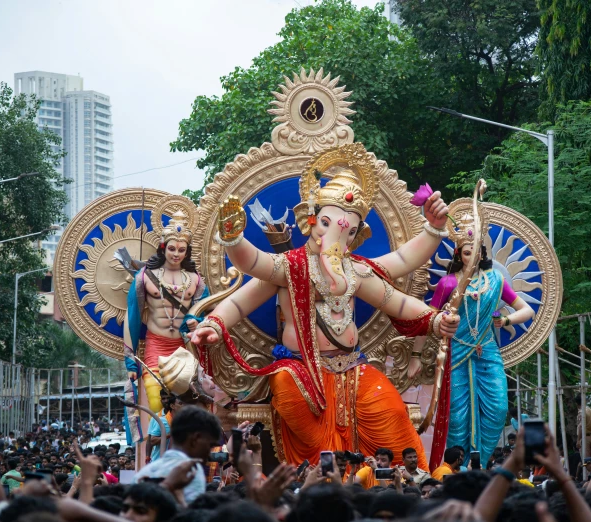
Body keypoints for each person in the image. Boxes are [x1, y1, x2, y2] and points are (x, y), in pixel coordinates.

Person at [193, 143, 459, 469]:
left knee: (389, 408)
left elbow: (400, 287)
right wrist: (213, 321)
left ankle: (412, 479)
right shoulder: (286, 268)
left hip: (352, 369)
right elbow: (242, 288)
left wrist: (435, 318)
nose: (333, 236)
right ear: (310, 221)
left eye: (346, 230)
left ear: (355, 236)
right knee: (290, 392)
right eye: (327, 224)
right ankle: (326, 478)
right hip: (300, 372)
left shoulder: (355, 271)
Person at [424, 215, 536, 469]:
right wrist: (440, 322)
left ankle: (482, 464)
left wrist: (505, 321)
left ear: (483, 252)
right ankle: (456, 467)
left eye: (476, 251)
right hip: (457, 353)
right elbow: (429, 317)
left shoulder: (496, 281)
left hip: (487, 351)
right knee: (457, 416)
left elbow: (526, 310)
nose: (471, 256)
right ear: (458, 254)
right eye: (466, 251)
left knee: (497, 409)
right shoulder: (448, 283)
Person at [123, 204, 209, 414]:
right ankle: (160, 444)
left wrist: (195, 321)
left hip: (184, 349)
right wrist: (130, 360)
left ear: (187, 251)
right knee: (157, 405)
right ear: (163, 247)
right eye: (172, 248)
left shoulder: (196, 281)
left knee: (187, 406)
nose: (176, 254)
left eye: (181, 250)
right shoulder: (144, 277)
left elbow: (205, 313)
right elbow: (132, 316)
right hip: (155, 347)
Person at [134, 405, 220, 504]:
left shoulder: (143, 473)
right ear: (196, 438)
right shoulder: (192, 472)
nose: (209, 453)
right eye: (210, 445)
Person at [575, 393, 591, 457]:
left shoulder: (581, 412)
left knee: (586, 461)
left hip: (584, 438)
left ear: (576, 403)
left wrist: (578, 440)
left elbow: (580, 427)